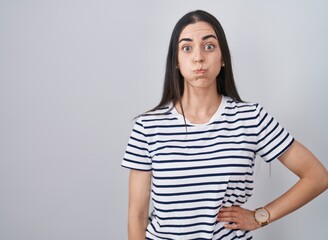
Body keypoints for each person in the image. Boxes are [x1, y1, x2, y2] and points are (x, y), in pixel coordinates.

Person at [121, 10, 328, 240]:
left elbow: (317, 176)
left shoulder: (251, 118)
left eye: (209, 46)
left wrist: (262, 216)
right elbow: (136, 216)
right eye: (187, 48)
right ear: (176, 62)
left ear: (222, 58)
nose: (198, 57)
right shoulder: (148, 127)